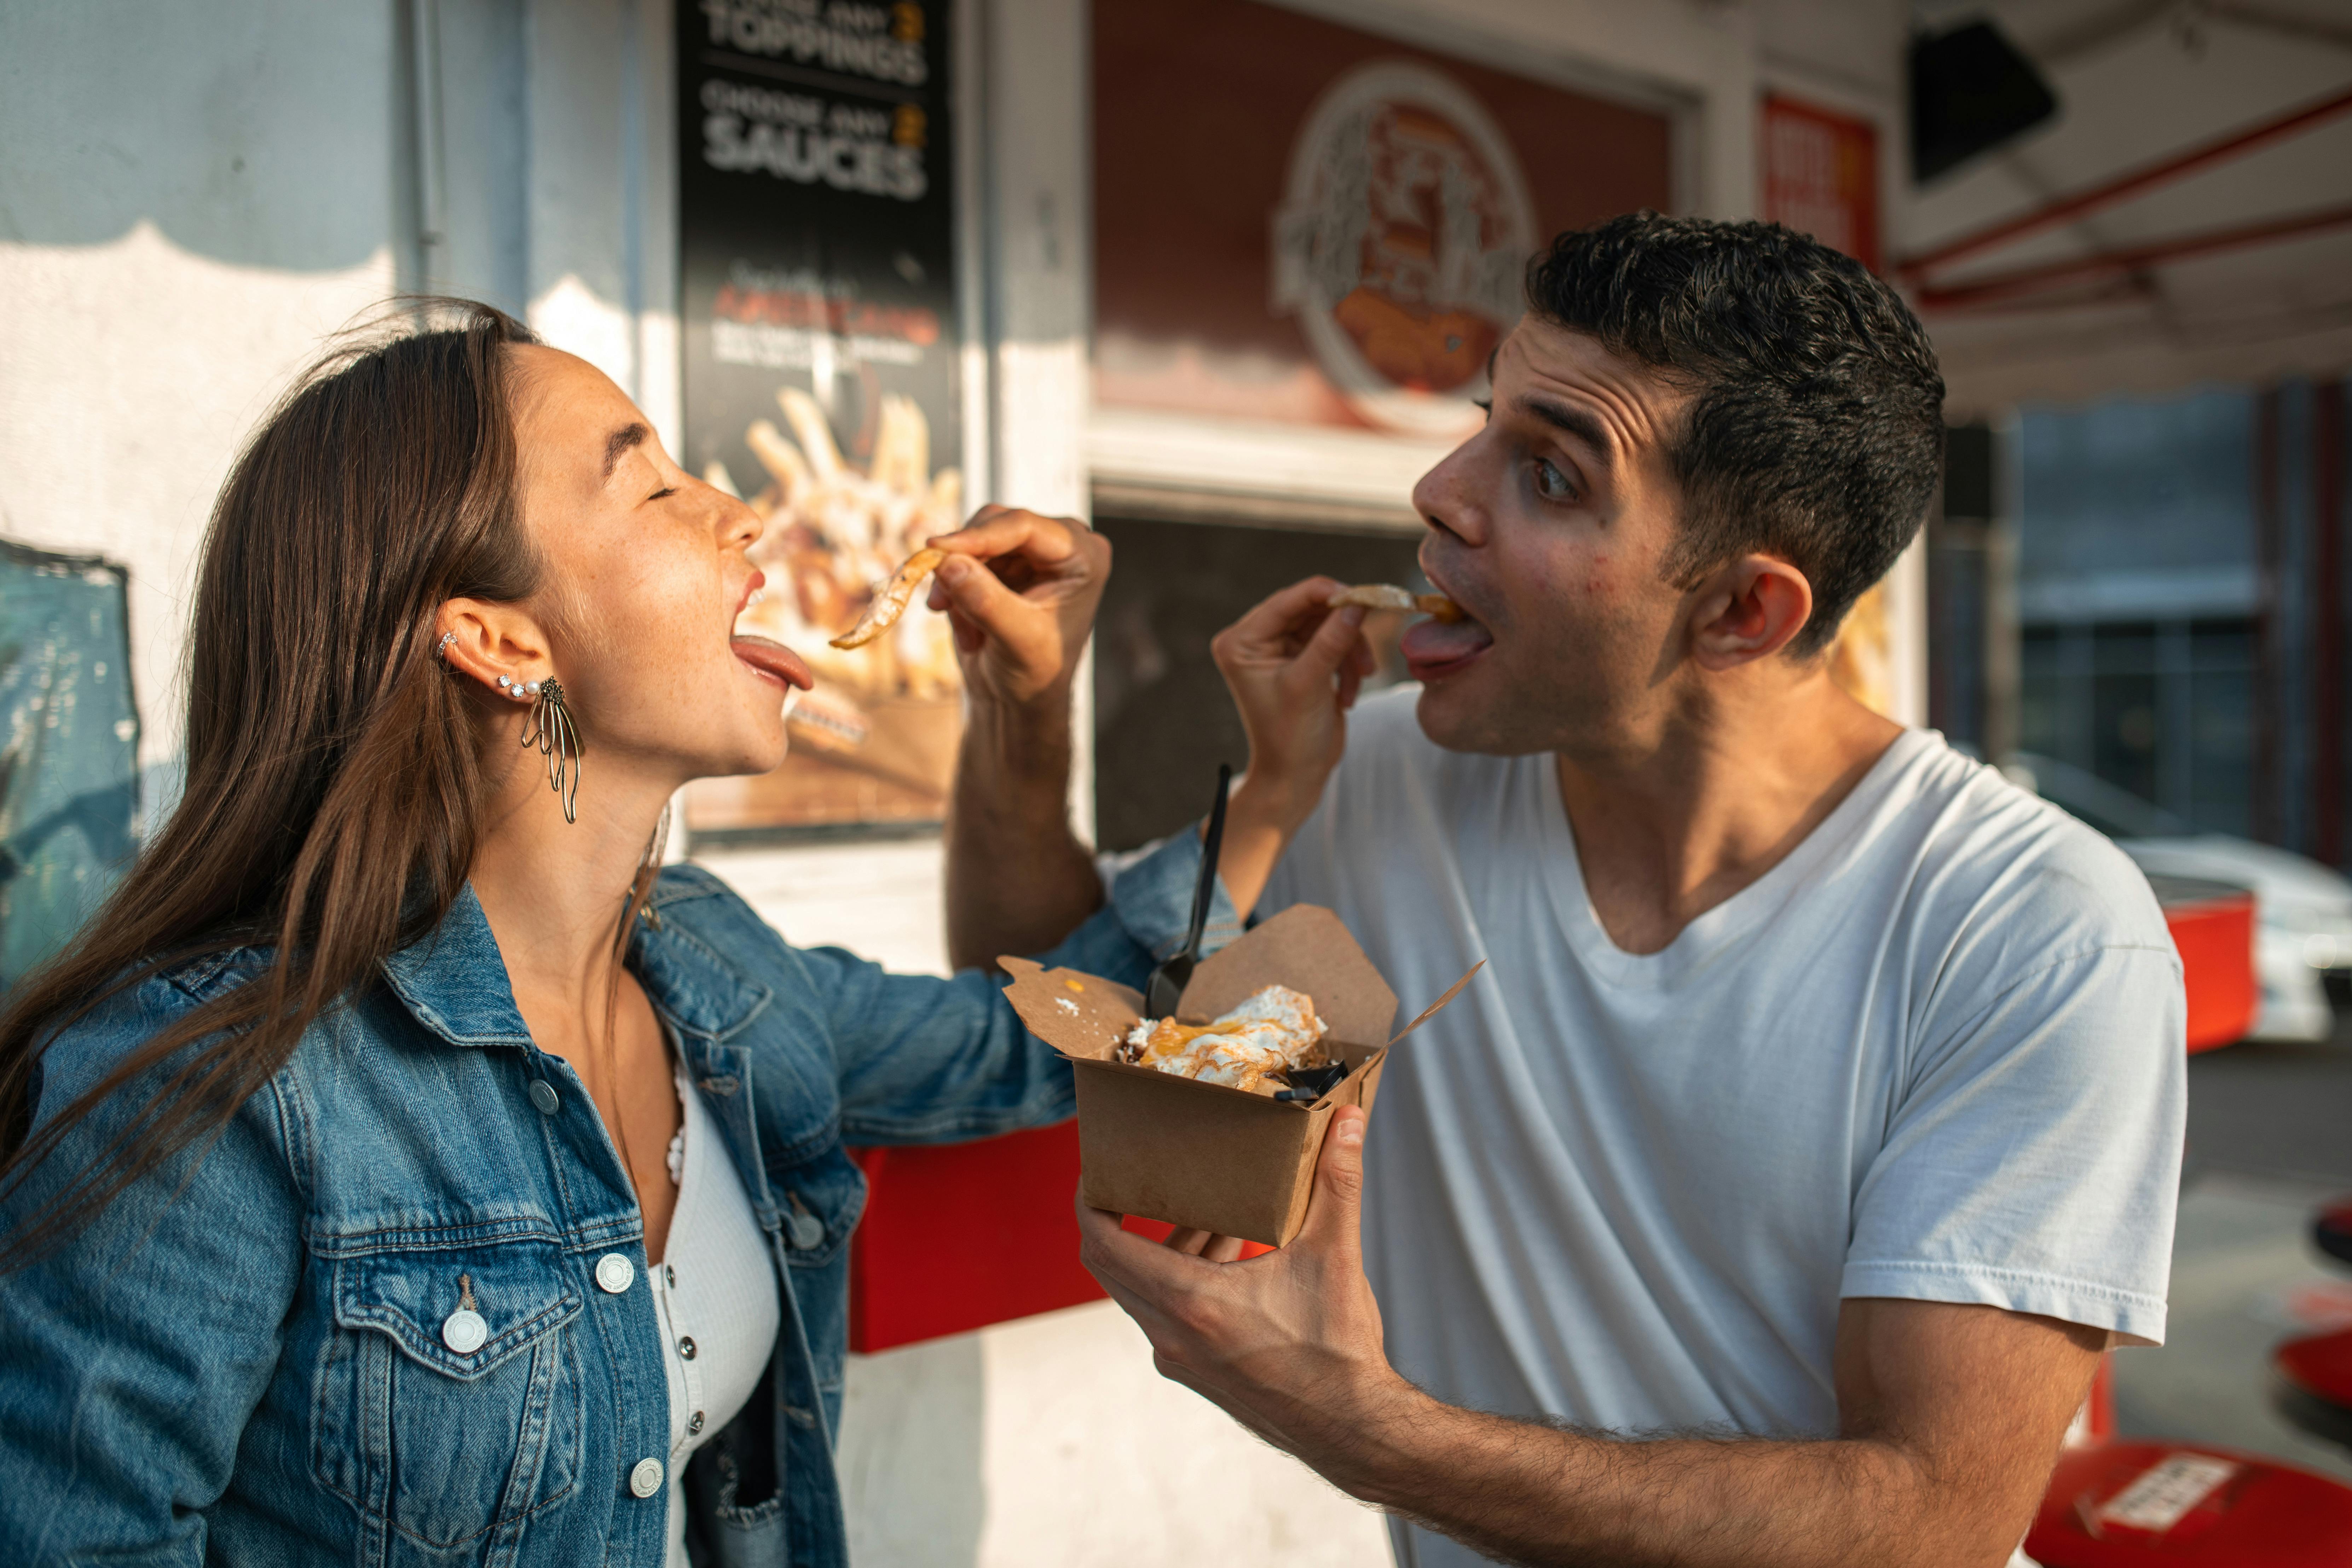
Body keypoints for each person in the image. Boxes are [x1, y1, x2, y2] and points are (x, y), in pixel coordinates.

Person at [953, 214, 2186, 1567]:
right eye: (1484, 422)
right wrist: (1024, 712)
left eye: (1547, 474)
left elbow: (1928, 1522)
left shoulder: (2031, 929)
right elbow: (1033, 1029)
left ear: (1740, 614)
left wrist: (1356, 1423)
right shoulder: (1365, 783)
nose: (1439, 489)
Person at [0, 302, 1221, 1568]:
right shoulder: (222, 1084)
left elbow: (1039, 1041)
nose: (739, 515)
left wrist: (1183, 750)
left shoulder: (719, 971)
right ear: (497, 637)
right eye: (649, 485)